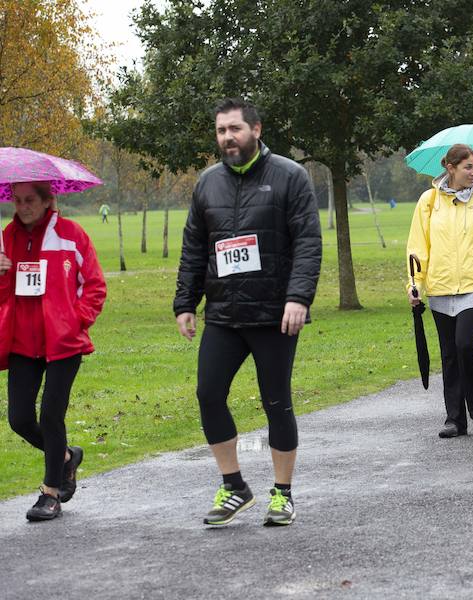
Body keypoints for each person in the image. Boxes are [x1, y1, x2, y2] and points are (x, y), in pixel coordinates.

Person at [174, 98, 322, 527]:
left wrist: (298, 298)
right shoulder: (208, 183)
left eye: (235, 129)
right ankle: (234, 486)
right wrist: (185, 303)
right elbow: (194, 248)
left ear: (255, 130)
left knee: (276, 401)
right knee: (208, 394)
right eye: (221, 130)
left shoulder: (290, 176)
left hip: (275, 314)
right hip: (224, 313)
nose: (228, 137)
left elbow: (308, 242)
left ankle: (283, 494)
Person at [0, 181, 107, 521]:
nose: (23, 207)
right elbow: (4, 296)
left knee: (50, 415)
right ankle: (65, 457)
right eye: (17, 200)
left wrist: (76, 321)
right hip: (22, 343)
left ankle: (51, 493)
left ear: (48, 200)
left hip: (63, 343)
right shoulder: (6, 238)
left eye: (30, 200)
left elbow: (95, 285)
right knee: (19, 419)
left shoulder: (72, 235)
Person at [407, 144, 473, 437]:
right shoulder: (428, 201)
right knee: (449, 354)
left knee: (465, 344)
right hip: (440, 288)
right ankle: (454, 419)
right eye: (467, 167)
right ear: (450, 169)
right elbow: (417, 247)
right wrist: (414, 284)